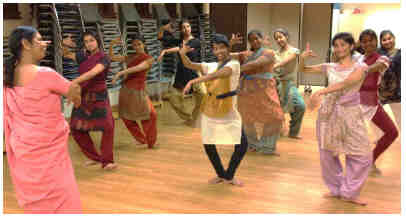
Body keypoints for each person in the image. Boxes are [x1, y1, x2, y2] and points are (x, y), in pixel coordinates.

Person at [3, 26, 82, 213]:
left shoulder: (6, 75)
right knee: (63, 199)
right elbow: (74, 93)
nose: (45, 44)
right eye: (40, 39)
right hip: (50, 152)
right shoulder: (45, 74)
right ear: (25, 44)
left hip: (24, 151)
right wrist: (75, 93)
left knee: (36, 203)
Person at [299, 32, 371, 206]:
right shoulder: (330, 66)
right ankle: (336, 189)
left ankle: (350, 192)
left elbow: (347, 83)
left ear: (351, 46)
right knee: (327, 154)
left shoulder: (361, 67)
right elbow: (304, 70)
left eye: (343, 45)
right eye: (336, 45)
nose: (339, 49)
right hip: (328, 113)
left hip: (350, 114)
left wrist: (321, 91)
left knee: (362, 154)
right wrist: (302, 59)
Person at [179, 34, 248, 186]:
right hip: (210, 106)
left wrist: (194, 80)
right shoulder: (210, 65)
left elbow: (220, 74)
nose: (218, 51)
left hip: (229, 108)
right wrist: (182, 54)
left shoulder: (234, 64)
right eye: (215, 48)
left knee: (242, 144)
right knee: (208, 143)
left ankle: (229, 175)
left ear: (228, 48)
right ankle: (221, 174)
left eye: (222, 47)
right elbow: (189, 65)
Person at [62, 31, 117, 170]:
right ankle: (95, 157)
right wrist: (65, 44)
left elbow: (93, 72)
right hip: (83, 95)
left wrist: (73, 83)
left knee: (108, 126)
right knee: (75, 128)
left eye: (91, 40)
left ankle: (107, 161)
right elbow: (65, 54)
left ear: (97, 40)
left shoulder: (104, 57)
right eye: (86, 41)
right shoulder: (82, 56)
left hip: (99, 96)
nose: (89, 43)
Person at [229, 30, 284, 155]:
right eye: (252, 40)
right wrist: (230, 44)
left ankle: (267, 147)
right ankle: (252, 144)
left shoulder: (268, 53)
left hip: (265, 89)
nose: (255, 41)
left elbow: (257, 63)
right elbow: (225, 55)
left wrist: (238, 69)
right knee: (247, 118)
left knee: (275, 116)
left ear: (261, 38)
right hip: (248, 89)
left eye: (257, 38)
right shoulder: (245, 54)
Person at [356, 29, 398, 175]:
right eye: (364, 41)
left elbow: (375, 68)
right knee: (354, 139)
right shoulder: (358, 59)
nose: (368, 43)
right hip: (356, 103)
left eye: (371, 40)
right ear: (360, 43)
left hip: (372, 103)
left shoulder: (383, 58)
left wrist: (361, 71)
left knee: (392, 132)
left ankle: (370, 160)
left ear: (376, 41)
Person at [109, 35, 157, 148]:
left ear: (144, 44)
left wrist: (120, 73)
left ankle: (150, 142)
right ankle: (142, 140)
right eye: (134, 45)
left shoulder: (149, 58)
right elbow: (112, 57)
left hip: (138, 91)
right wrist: (112, 44)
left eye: (139, 44)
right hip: (126, 90)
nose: (137, 47)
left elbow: (140, 67)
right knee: (126, 117)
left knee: (150, 115)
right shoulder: (130, 57)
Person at [157, 19, 203, 126]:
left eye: (188, 26)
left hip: (193, 72)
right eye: (183, 27)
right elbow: (160, 38)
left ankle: (195, 117)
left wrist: (168, 50)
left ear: (191, 28)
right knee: (173, 99)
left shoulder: (196, 41)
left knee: (203, 95)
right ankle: (188, 117)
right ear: (181, 30)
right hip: (181, 74)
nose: (186, 29)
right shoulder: (179, 41)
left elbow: (183, 48)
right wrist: (162, 28)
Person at [266, 28, 305, 139]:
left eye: (280, 37)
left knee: (300, 106)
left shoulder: (294, 51)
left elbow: (288, 60)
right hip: (276, 83)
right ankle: (276, 131)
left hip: (289, 83)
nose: (278, 40)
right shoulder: (276, 53)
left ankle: (293, 132)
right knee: (277, 110)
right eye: (276, 38)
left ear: (286, 37)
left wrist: (275, 65)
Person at [377, 30, 401, 134]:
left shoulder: (401, 53)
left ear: (394, 38)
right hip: (380, 91)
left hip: (396, 91)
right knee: (377, 117)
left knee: (400, 118)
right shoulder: (378, 53)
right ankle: (379, 138)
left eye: (389, 38)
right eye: (384, 40)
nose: (387, 41)